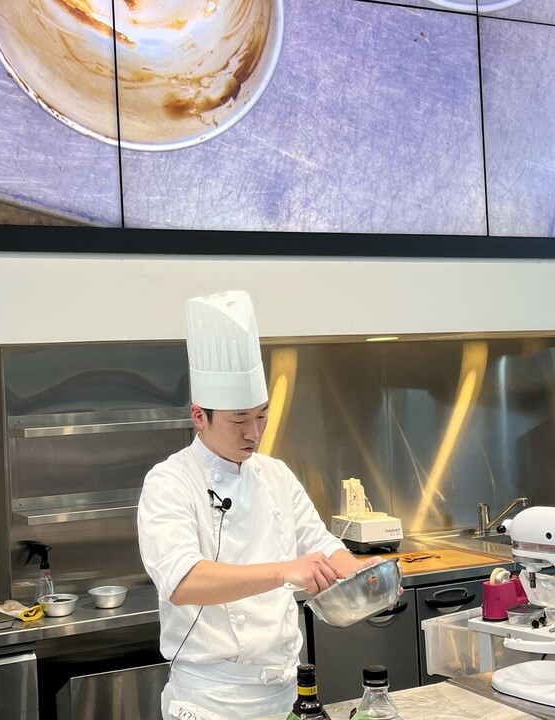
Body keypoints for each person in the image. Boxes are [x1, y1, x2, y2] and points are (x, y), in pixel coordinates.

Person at [137, 290, 380, 720]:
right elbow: (182, 581)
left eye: (262, 415)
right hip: (210, 702)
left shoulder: (275, 475)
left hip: (285, 696)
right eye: (238, 420)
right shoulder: (169, 482)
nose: (254, 432)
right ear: (199, 416)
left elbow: (321, 543)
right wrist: (286, 570)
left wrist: (365, 576)